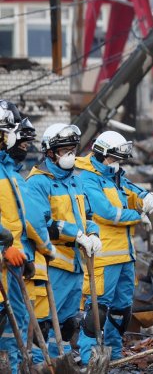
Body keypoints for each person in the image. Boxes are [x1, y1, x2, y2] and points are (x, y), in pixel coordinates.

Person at [75, 130, 153, 364]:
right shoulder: (87, 178)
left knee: (122, 311)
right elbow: (107, 213)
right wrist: (139, 215)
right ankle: (90, 356)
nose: (117, 164)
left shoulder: (115, 175)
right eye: (114, 159)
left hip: (125, 256)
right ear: (102, 155)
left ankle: (114, 354)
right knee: (97, 311)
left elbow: (134, 192)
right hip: (103, 256)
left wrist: (146, 197)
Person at [25, 124, 102, 361]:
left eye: (72, 149)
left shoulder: (75, 181)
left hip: (76, 263)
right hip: (53, 263)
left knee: (69, 323)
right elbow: (41, 224)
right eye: (64, 150)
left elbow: (86, 215)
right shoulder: (37, 182)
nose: (70, 155)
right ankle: (42, 361)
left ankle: (65, 357)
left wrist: (94, 233)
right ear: (49, 152)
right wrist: (76, 234)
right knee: (47, 321)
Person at [0, 103, 52, 374]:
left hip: (11, 265)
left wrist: (23, 257)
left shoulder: (8, 172)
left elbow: (17, 222)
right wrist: (4, 248)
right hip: (4, 259)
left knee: (15, 322)